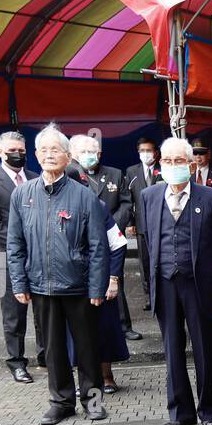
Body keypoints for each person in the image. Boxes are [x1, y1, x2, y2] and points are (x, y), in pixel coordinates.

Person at [7, 124, 109, 425]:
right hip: (40, 286)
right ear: (36, 155)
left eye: (56, 150)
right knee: (52, 350)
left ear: (68, 157)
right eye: (44, 150)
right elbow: (15, 243)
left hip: (78, 286)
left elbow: (98, 246)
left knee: (87, 347)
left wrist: (97, 287)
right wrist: (18, 282)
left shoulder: (83, 195)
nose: (49, 155)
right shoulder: (22, 195)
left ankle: (93, 401)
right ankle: (61, 401)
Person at [139, 137, 212, 425]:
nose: (173, 166)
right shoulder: (149, 196)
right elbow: (148, 240)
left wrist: (208, 271)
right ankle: (180, 412)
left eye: (179, 161)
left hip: (199, 282)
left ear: (191, 165)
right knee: (172, 348)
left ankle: (208, 411)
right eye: (167, 161)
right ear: (159, 164)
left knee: (205, 348)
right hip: (165, 281)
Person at [0, 130, 41, 383]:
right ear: (0, 152)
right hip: (6, 257)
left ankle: (46, 357)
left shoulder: (36, 178)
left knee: (44, 312)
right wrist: (23, 244)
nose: (17, 155)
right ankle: (16, 362)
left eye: (21, 151)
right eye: (12, 151)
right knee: (13, 314)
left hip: (40, 258)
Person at [65, 161, 130, 394]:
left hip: (98, 281)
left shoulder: (97, 206)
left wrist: (113, 278)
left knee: (103, 329)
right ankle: (85, 382)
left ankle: (106, 376)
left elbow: (118, 243)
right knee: (74, 335)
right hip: (67, 284)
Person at [70, 134, 141, 341]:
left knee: (115, 281)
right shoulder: (71, 175)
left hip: (111, 236)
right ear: (73, 154)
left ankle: (124, 326)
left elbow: (127, 203)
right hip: (85, 241)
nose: (88, 156)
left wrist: (113, 225)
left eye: (91, 152)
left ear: (99, 153)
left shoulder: (115, 174)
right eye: (83, 152)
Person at [125, 137, 163, 311]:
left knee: (162, 259)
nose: (145, 154)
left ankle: (162, 293)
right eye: (142, 151)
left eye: (148, 150)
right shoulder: (132, 171)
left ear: (155, 152)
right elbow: (129, 199)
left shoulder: (163, 170)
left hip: (162, 224)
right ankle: (149, 296)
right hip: (141, 224)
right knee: (145, 262)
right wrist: (131, 222)